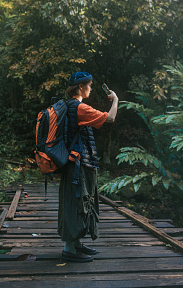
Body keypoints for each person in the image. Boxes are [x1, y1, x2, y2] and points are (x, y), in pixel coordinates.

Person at [58, 71, 118, 262]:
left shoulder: (67, 106)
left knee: (77, 200)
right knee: (78, 202)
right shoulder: (80, 108)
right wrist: (115, 100)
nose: (90, 88)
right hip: (79, 164)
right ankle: (69, 248)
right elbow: (110, 118)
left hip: (72, 162)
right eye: (89, 85)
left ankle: (75, 244)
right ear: (80, 87)